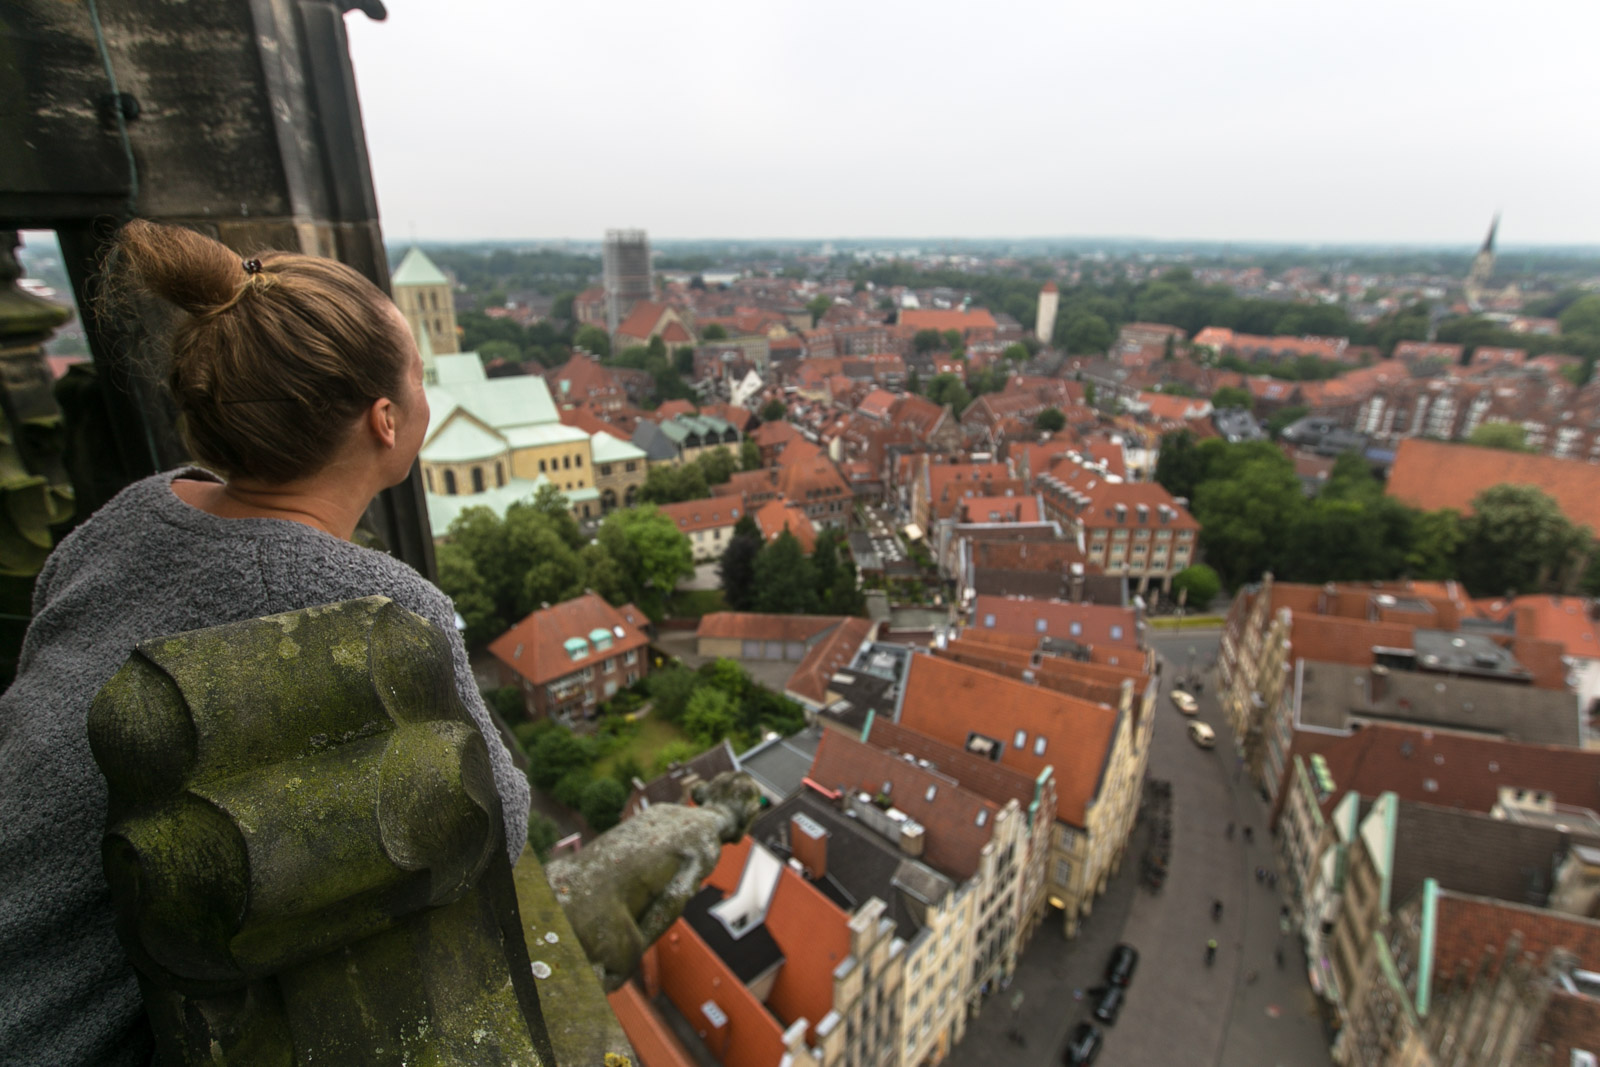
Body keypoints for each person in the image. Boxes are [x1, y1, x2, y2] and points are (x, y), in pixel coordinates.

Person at [0, 221, 532, 1067]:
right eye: (418, 377)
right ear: (386, 420)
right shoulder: (378, 602)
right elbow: (496, 819)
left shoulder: (132, 513)